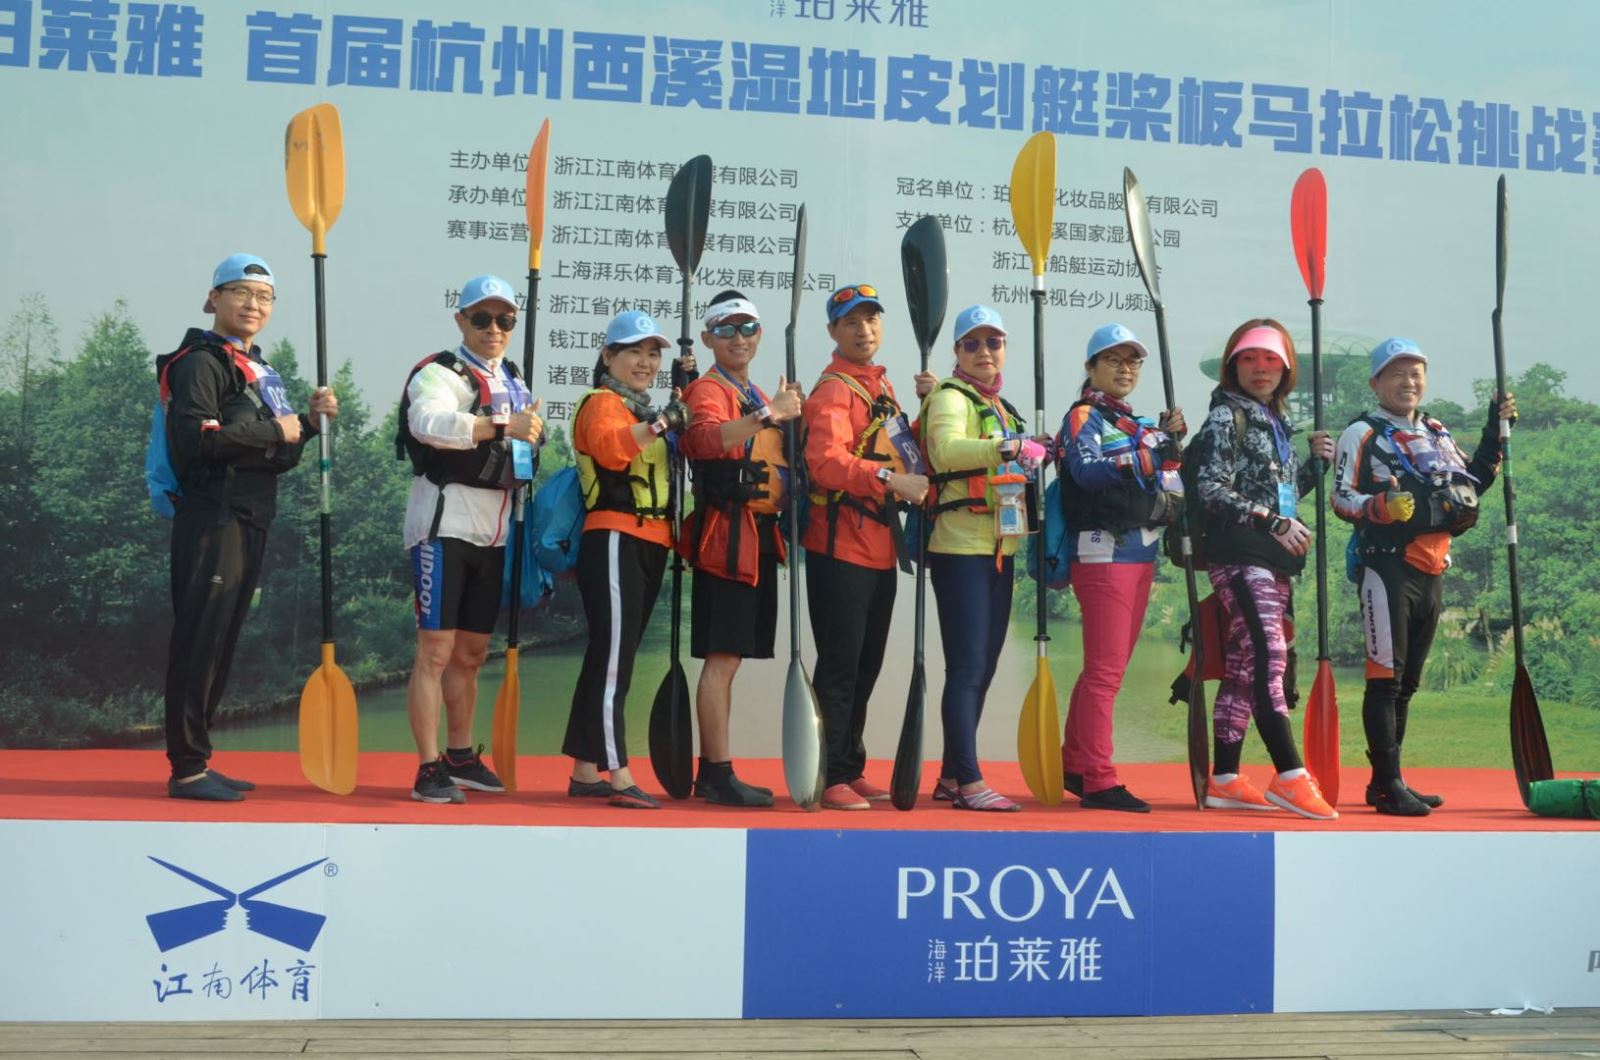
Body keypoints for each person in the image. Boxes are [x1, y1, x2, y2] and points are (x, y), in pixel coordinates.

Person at [160, 253, 339, 801]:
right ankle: (186, 768)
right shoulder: (200, 363)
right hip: (212, 517)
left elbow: (279, 456)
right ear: (213, 299)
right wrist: (278, 429)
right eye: (240, 292)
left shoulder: (257, 369)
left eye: (264, 297)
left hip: (251, 516)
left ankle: (199, 759)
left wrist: (306, 426)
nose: (253, 304)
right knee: (199, 640)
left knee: (222, 641)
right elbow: (197, 442)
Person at [1332, 337, 1514, 816]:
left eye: (1415, 373)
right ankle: (1390, 785)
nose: (1407, 382)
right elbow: (1340, 499)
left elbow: (1472, 484)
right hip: (1385, 566)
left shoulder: (1436, 431)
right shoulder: (1361, 433)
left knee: (1407, 684)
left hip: (1432, 568)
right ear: (1376, 383)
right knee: (1384, 682)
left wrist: (1495, 429)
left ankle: (1385, 782)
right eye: (1396, 373)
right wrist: (1381, 505)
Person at [399, 274, 544, 804]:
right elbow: (427, 423)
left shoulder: (514, 377)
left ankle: (460, 755)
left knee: (472, 652)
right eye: (482, 318)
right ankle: (427, 767)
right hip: (444, 526)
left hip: (496, 531)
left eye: (504, 319)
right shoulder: (440, 373)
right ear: (461, 320)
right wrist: (503, 426)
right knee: (435, 651)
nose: (494, 328)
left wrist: (532, 434)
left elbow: (526, 438)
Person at [1185, 319, 1337, 820]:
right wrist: (1271, 520)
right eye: (1249, 359)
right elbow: (1211, 487)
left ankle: (1225, 778)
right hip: (1238, 553)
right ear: (1233, 365)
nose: (1260, 368)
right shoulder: (1225, 417)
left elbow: (1279, 495)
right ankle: (1290, 776)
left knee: (1243, 667)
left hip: (1271, 557)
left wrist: (1314, 467)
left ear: (1286, 369)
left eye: (1271, 360)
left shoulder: (1274, 421)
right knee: (1270, 655)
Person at [801, 283, 931, 811]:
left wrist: (927, 409)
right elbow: (826, 463)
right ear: (833, 331)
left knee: (866, 665)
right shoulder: (834, 390)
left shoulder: (881, 386)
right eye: (851, 322)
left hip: (878, 547)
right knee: (840, 665)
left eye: (872, 319)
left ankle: (849, 766)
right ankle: (828, 773)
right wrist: (889, 480)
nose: (864, 329)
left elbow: (900, 450)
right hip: (839, 547)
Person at [679, 291, 805, 807]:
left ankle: (717, 769)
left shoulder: (751, 390)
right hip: (725, 539)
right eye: (727, 329)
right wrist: (769, 414)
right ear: (708, 337)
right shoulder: (710, 389)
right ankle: (716, 772)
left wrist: (784, 417)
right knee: (722, 658)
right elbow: (704, 441)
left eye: (748, 327)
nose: (739, 338)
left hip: (757, 537)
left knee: (731, 659)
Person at [1055, 323, 1186, 813]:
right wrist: (1151, 455)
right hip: (1102, 553)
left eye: (1133, 361)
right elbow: (1086, 471)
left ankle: (1076, 763)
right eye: (1113, 359)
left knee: (1107, 670)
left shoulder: (1139, 423)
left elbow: (1169, 476)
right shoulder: (1084, 416)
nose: (1125, 368)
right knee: (1105, 672)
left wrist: (1172, 442)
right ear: (1091, 367)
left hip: (1141, 554)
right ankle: (1099, 779)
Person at [921, 305, 1045, 812]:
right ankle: (970, 782)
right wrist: (1010, 446)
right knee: (968, 668)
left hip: (998, 549)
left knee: (984, 668)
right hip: (960, 549)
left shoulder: (1000, 405)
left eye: (993, 342)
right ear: (957, 351)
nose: (984, 352)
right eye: (972, 344)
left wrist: (1035, 448)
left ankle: (952, 776)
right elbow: (947, 450)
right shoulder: (950, 397)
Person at [563, 309, 689, 810]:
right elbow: (611, 451)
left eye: (652, 353)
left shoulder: (643, 408)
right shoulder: (602, 403)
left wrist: (677, 406)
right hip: (615, 536)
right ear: (607, 355)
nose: (645, 362)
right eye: (634, 351)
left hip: (650, 541)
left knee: (609, 656)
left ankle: (584, 770)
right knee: (615, 661)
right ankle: (618, 774)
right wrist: (663, 422)